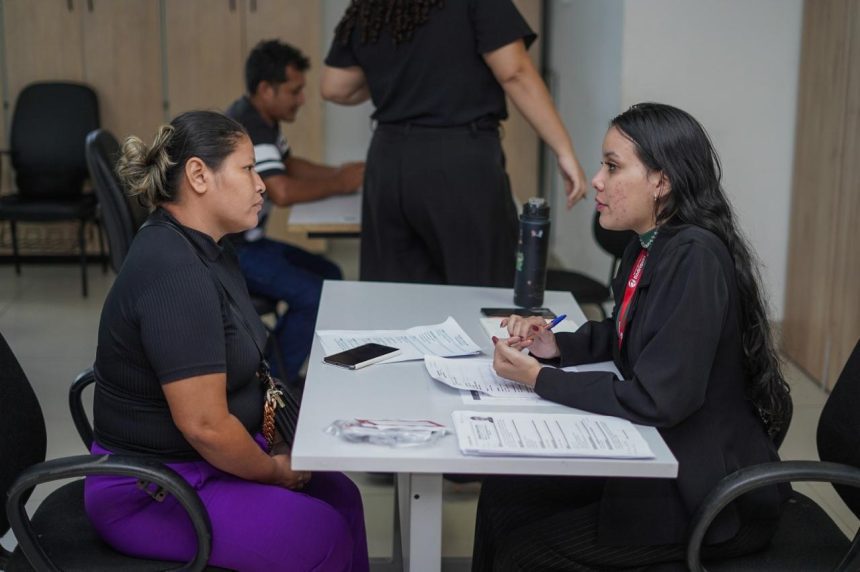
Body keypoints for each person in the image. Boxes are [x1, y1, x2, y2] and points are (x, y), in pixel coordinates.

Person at [473, 103, 792, 570]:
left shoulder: (695, 258)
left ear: (661, 182)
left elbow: (658, 399)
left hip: (706, 495)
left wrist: (539, 379)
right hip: (661, 455)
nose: (596, 181)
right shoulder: (649, 244)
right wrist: (555, 347)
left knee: (526, 554)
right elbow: (627, 332)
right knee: (504, 494)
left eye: (612, 166)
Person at [85, 111, 369, 572]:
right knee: (322, 535)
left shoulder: (210, 248)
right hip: (153, 488)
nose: (261, 185)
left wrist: (275, 442)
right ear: (199, 175)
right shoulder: (172, 271)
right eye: (248, 168)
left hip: (203, 460)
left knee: (341, 495)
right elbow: (205, 426)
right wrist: (273, 471)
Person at [321, 0, 588, 287]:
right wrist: (563, 149)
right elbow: (515, 72)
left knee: (395, 294)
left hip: (388, 160)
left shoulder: (374, 5)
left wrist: (396, 80)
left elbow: (334, 87)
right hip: (458, 159)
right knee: (481, 290)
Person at [226, 39, 364, 383]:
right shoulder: (251, 129)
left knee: (330, 273)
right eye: (294, 91)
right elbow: (283, 191)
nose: (302, 99)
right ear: (266, 90)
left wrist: (338, 173)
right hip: (231, 252)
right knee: (316, 296)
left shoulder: (260, 119)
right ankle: (270, 383)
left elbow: (287, 165)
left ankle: (287, 365)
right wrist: (341, 182)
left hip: (250, 243)